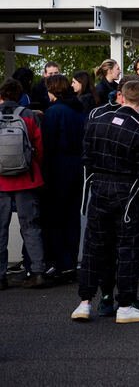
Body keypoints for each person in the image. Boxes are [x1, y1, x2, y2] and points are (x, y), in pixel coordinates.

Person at [72, 80, 139, 322]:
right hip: (127, 191)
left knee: (94, 246)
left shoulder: (97, 119)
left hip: (99, 187)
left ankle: (85, 302)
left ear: (121, 97)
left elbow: (86, 156)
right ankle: (125, 304)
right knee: (126, 247)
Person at [0, 79, 47, 290]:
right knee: (31, 227)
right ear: (20, 95)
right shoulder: (28, 115)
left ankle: (1, 276)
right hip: (26, 179)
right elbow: (39, 147)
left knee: (0, 230)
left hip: (1, 182)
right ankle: (37, 272)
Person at [39, 74, 85, 281]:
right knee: (72, 217)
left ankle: (63, 262)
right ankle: (71, 261)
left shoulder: (53, 112)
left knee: (53, 218)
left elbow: (46, 146)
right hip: (77, 167)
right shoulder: (79, 110)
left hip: (57, 168)